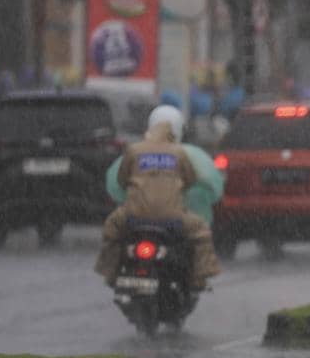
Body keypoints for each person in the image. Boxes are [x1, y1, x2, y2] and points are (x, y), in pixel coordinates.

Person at [94, 105, 222, 291]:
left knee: (111, 230)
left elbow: (121, 181)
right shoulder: (181, 153)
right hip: (173, 217)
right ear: (178, 130)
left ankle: (110, 273)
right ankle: (200, 277)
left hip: (134, 216)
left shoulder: (134, 151)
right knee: (201, 231)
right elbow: (191, 179)